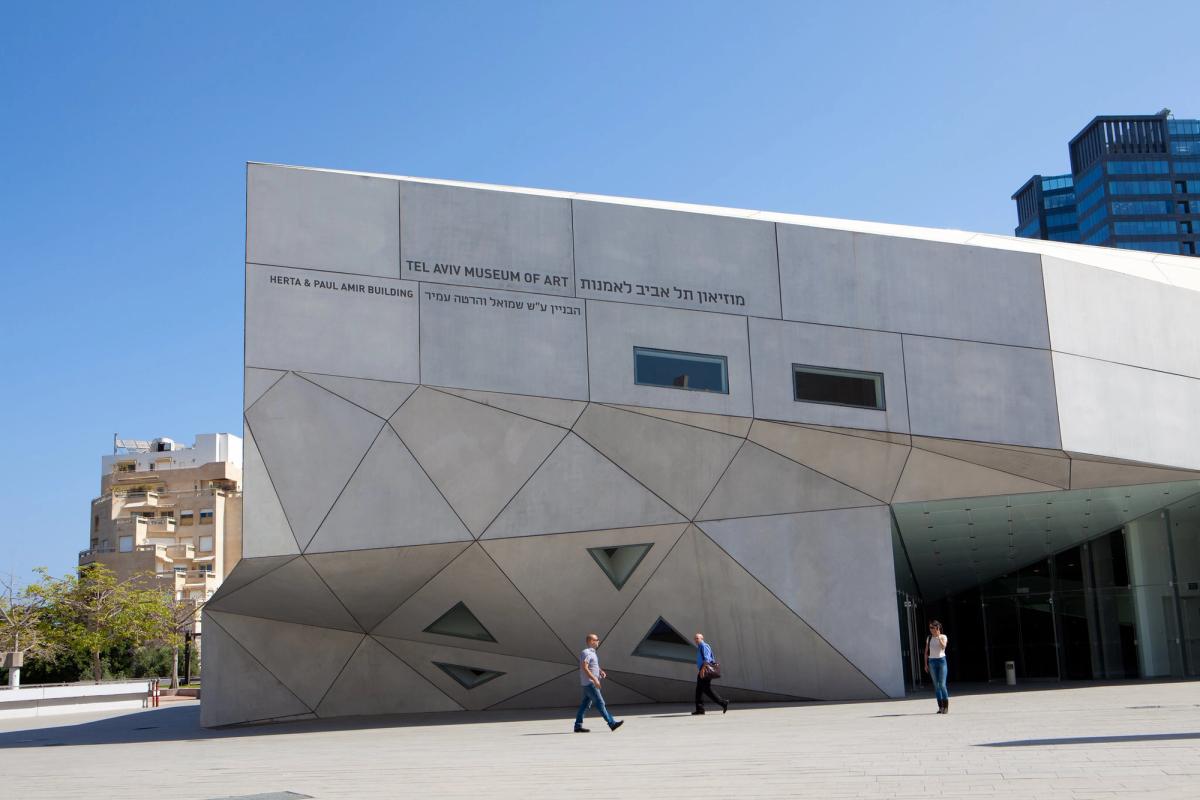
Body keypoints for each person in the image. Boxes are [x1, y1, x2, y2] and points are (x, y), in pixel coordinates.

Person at [574, 633, 624, 733]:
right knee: (600, 703)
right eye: (597, 639)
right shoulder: (587, 652)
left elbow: (593, 665)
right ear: (591, 641)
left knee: (584, 704)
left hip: (587, 683)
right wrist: (595, 680)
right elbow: (585, 667)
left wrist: (600, 671)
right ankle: (612, 723)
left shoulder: (592, 652)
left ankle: (577, 726)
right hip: (590, 683)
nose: (598, 641)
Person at [692, 632, 728, 715]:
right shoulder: (700, 647)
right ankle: (700, 709)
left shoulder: (704, 646)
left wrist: (702, 671)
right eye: (695, 639)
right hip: (703, 669)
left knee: (706, 689)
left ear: (702, 639)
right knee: (699, 690)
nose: (696, 640)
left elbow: (707, 659)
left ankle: (723, 702)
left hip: (705, 669)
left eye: (697, 638)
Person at [924, 620, 949, 714]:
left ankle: (946, 707)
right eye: (930, 628)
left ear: (937, 628)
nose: (931, 629)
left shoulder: (943, 637)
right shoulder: (929, 638)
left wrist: (938, 637)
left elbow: (943, 647)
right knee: (936, 686)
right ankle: (940, 707)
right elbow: (926, 652)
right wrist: (925, 664)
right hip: (932, 662)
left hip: (942, 661)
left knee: (942, 684)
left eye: (932, 627)